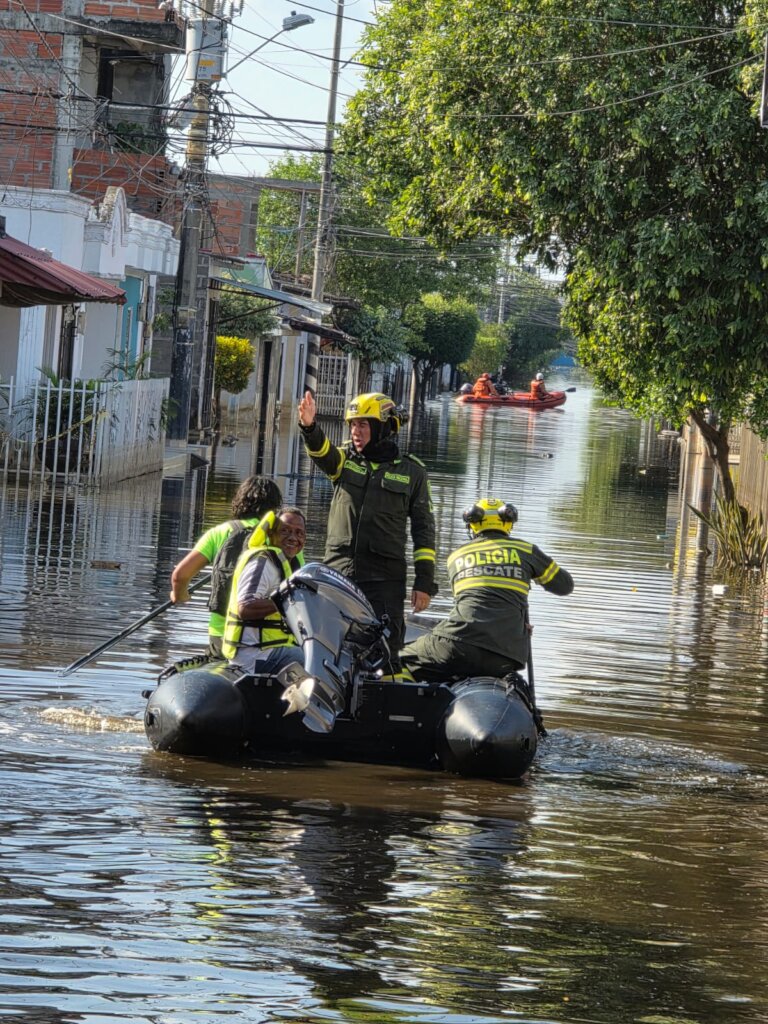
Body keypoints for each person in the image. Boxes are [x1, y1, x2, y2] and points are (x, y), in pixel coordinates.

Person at [297, 390, 436, 671]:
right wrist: (310, 427)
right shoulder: (345, 460)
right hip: (339, 574)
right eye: (352, 425)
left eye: (363, 424)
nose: (355, 431)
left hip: (385, 579)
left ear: (382, 427)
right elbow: (322, 453)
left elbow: (424, 530)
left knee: (387, 649)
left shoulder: (413, 473)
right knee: (330, 642)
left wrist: (424, 583)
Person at [400, 497, 573, 682]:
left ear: (473, 525)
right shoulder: (526, 550)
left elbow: (470, 606)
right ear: (508, 523)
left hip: (458, 647)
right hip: (508, 656)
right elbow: (565, 586)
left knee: (395, 660)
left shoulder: (457, 557)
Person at [170, 475, 283, 657]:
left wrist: (180, 595)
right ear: (275, 509)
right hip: (271, 638)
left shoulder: (219, 533)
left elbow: (180, 576)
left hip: (223, 635)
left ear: (240, 501)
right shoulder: (283, 538)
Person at [221, 506, 306, 675]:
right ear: (271, 534)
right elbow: (245, 607)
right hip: (254, 654)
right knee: (315, 661)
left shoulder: (288, 564)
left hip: (271, 649)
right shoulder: (263, 562)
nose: (293, 537)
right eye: (285, 531)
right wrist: (286, 600)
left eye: (299, 533)